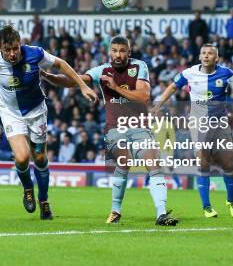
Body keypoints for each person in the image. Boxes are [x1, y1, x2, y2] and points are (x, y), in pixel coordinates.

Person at [42, 36, 178, 226]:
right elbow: (74, 80)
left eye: (122, 50)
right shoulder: (102, 70)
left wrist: (114, 87)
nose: (118, 54)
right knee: (125, 160)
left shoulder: (139, 67)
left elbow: (143, 96)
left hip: (140, 127)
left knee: (153, 162)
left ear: (129, 53)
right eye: (114, 50)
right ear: (109, 52)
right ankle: (116, 210)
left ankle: (162, 214)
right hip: (115, 128)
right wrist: (48, 77)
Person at [0, 25, 97, 220]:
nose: (13, 53)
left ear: (20, 44)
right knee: (22, 157)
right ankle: (28, 188)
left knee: (39, 158)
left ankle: (44, 200)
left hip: (36, 110)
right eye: (8, 49)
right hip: (11, 112)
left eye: (15, 48)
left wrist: (82, 86)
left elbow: (61, 63)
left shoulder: (35, 53)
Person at [155, 44, 233, 219]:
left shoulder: (227, 73)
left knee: (229, 164)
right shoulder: (189, 73)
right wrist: (158, 105)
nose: (206, 55)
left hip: (220, 122)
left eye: (210, 53)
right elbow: (173, 87)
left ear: (216, 58)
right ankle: (206, 206)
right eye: (203, 53)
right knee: (203, 162)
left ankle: (231, 201)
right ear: (199, 57)